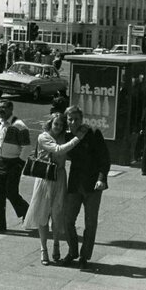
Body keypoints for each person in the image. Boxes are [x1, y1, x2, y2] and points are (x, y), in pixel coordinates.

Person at [23, 113, 88, 265]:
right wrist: (78, 137)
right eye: (55, 124)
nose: (58, 127)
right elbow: (58, 150)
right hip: (45, 179)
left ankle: (56, 244)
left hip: (59, 177)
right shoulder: (43, 137)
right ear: (50, 123)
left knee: (58, 214)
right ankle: (43, 249)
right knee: (42, 214)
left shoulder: (64, 136)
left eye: (60, 124)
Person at [61, 106, 111, 269]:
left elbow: (105, 159)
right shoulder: (67, 135)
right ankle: (72, 251)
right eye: (70, 119)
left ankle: (84, 256)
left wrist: (102, 179)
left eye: (76, 119)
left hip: (93, 186)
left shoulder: (93, 133)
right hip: (75, 184)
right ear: (66, 120)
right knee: (67, 220)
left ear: (81, 119)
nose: (73, 122)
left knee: (90, 223)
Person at [0, 99, 31, 233]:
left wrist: (19, 165)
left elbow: (27, 148)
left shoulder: (19, 126)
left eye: (4, 108)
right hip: (1, 163)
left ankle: (27, 212)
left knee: (11, 193)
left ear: (11, 109)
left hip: (14, 164)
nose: (1, 110)